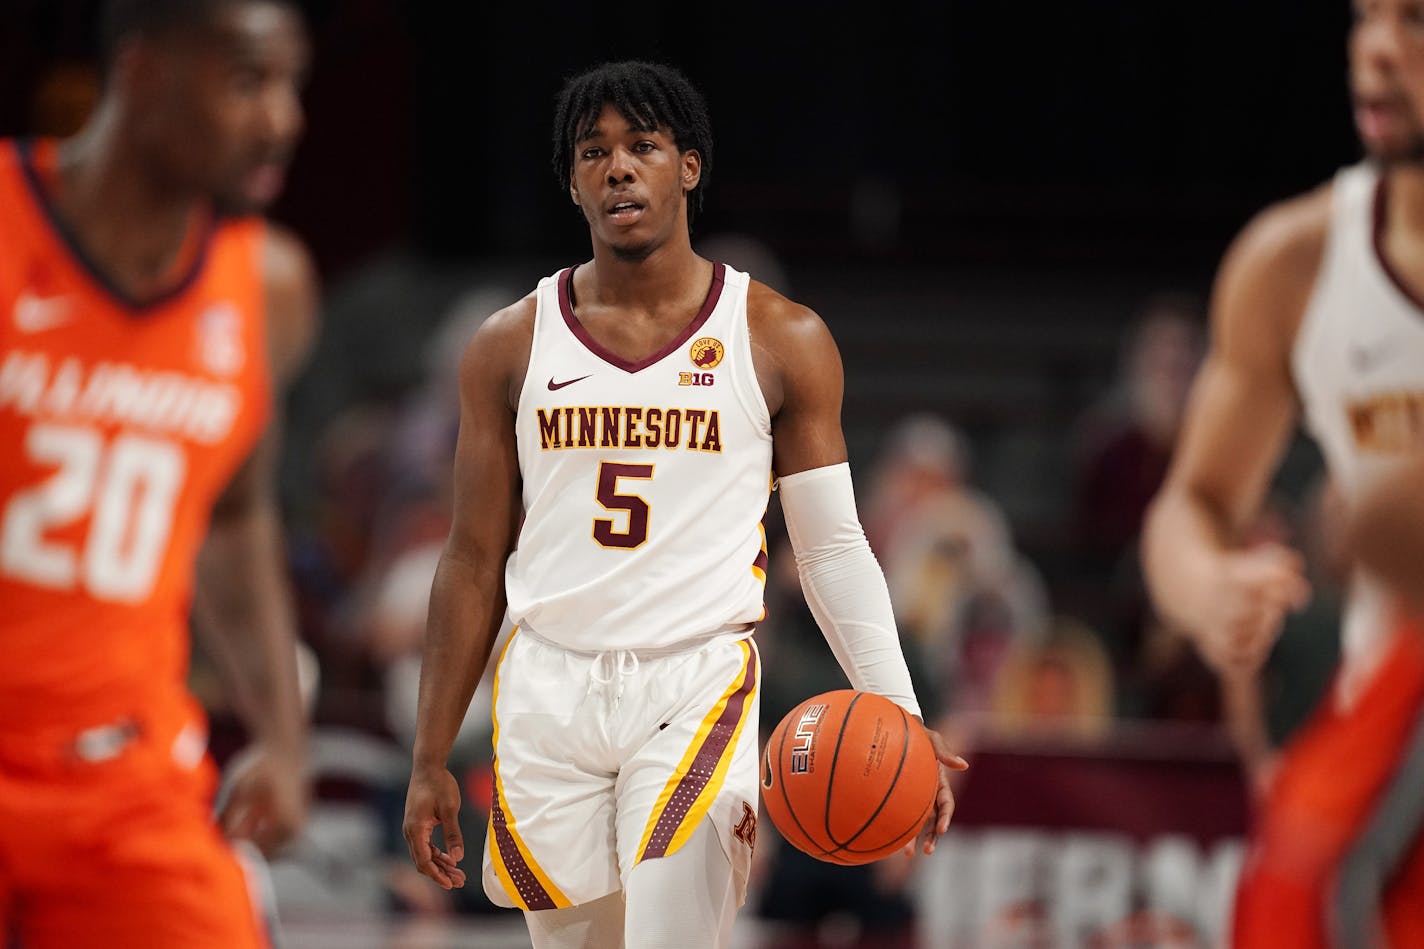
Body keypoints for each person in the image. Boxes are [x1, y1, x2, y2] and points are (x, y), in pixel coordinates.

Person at [402, 61, 968, 949]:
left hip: (694, 680)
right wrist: (431, 752)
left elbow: (829, 549)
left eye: (643, 146)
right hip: (548, 686)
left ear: (689, 167)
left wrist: (898, 707)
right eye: (595, 152)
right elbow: (471, 560)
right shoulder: (510, 344)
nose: (618, 167)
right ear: (573, 180)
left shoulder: (780, 336)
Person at [0, 1, 316, 946]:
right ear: (142, 75)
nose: (284, 119)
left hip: (120, 783)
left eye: (292, 85)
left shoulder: (267, 285)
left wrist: (283, 738)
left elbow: (232, 519)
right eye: (248, 81)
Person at [1142, 3, 1424, 945]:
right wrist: (1208, 585)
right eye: (1364, 18)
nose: (1377, 49)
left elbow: (1383, 524)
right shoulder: (1295, 261)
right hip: (1394, 734)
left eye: (1416, 20)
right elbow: (1192, 505)